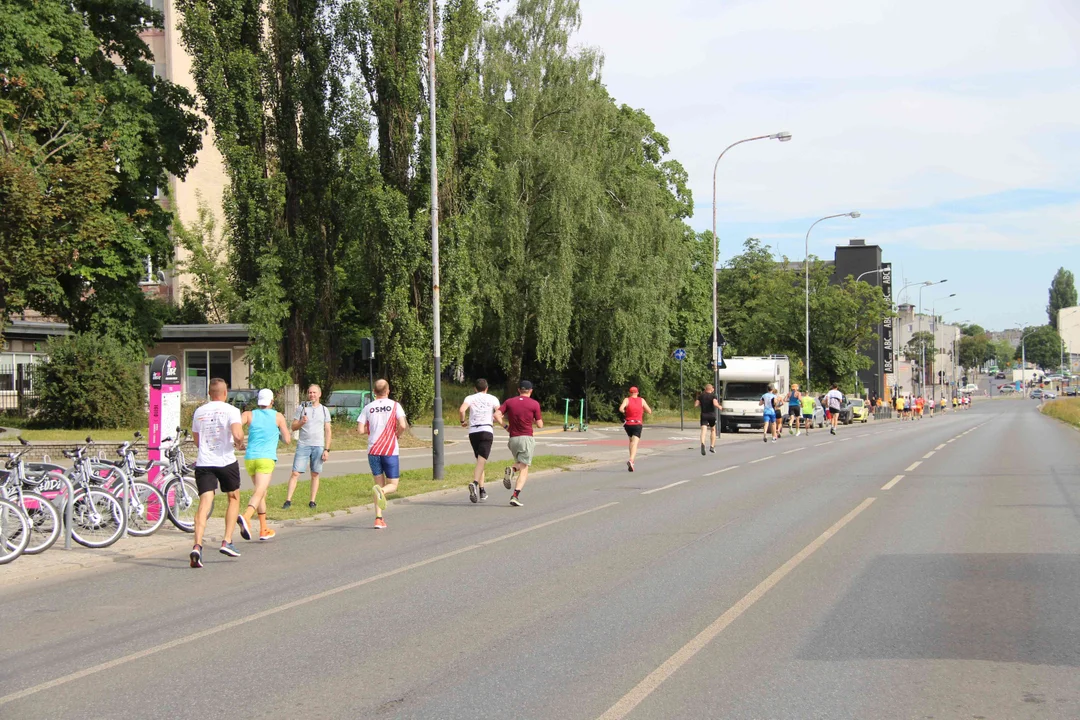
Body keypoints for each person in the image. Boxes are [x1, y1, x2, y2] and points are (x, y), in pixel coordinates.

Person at [189, 378, 245, 568]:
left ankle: (197, 545)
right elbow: (237, 434)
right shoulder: (231, 411)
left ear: (209, 394)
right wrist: (239, 443)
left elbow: (197, 440)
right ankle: (227, 541)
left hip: (204, 462)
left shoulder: (199, 411)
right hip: (225, 460)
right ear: (225, 393)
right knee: (233, 497)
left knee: (205, 502)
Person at [237, 389, 291, 542]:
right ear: (272, 401)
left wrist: (239, 443)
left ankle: (263, 529)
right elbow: (287, 440)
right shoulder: (278, 416)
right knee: (260, 491)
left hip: (250, 458)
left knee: (261, 493)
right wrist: (277, 433)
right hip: (266, 458)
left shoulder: (249, 414)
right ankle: (246, 516)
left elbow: (236, 426)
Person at [357, 379, 408, 529]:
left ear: (374, 392)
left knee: (377, 483)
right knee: (392, 485)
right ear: (388, 391)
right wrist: (397, 434)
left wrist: (370, 429)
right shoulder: (395, 405)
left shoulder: (368, 407)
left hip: (373, 450)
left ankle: (378, 518)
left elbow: (360, 430)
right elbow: (403, 425)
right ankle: (382, 492)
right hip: (389, 449)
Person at [494, 381, 543, 507]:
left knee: (520, 462)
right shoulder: (534, 404)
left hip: (513, 439)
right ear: (531, 391)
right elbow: (540, 424)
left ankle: (513, 469)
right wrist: (533, 420)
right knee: (525, 467)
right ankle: (515, 495)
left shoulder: (510, 402)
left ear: (518, 390)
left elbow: (496, 415)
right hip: (526, 438)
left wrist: (506, 426)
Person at [284, 384, 332, 510]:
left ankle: (312, 501)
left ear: (319, 394)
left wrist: (326, 449)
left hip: (318, 445)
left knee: (315, 473)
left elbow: (328, 431)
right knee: (295, 473)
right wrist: (301, 422)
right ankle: (288, 500)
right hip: (303, 445)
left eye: (314, 393)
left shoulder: (324, 410)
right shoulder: (302, 407)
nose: (312, 395)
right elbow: (293, 427)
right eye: (310, 392)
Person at [460, 378, 500, 503]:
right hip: (486, 430)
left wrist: (463, 421)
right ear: (487, 388)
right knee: (482, 461)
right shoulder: (493, 398)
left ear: (475, 388)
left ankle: (482, 491)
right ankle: (475, 484)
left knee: (480, 461)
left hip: (473, 432)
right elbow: (499, 412)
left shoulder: (470, 398)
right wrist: (495, 420)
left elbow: (462, 410)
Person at [619, 386, 653, 472]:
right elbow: (649, 411)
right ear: (637, 393)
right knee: (635, 443)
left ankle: (632, 461)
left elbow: (621, 409)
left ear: (630, 393)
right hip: (637, 423)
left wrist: (625, 411)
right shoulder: (641, 400)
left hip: (628, 424)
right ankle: (631, 460)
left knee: (631, 441)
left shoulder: (627, 400)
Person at [694, 384, 721, 455]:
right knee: (713, 429)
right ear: (711, 389)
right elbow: (715, 403)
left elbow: (696, 405)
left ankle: (702, 444)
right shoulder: (713, 396)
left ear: (705, 389)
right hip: (711, 415)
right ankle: (712, 446)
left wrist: (700, 402)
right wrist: (719, 406)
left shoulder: (701, 396)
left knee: (703, 430)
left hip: (703, 415)